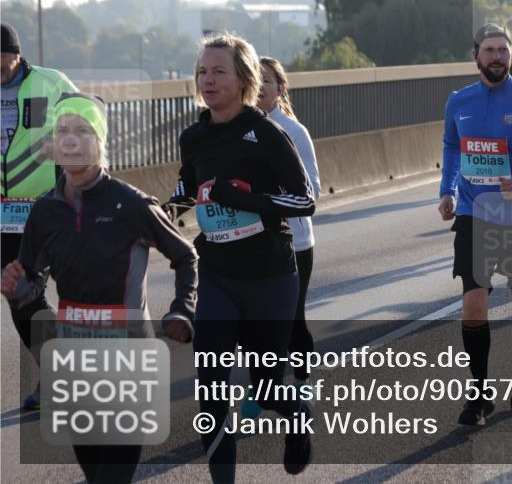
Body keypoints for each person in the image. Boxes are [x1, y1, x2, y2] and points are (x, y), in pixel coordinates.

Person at [2, 92, 196, 483]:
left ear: (102, 141)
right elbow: (31, 281)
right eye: (63, 131)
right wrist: (16, 286)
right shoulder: (44, 211)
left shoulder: (132, 204)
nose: (71, 140)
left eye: (83, 130)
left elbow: (186, 255)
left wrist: (182, 309)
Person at [167, 33, 316, 481]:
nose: (207, 81)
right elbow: (187, 189)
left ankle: (296, 419)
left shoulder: (267, 133)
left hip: (270, 276)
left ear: (244, 78)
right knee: (211, 389)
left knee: (268, 389)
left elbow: (304, 200)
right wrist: (154, 215)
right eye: (201, 72)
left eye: (218, 72)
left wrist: (247, 200)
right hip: (216, 274)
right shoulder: (193, 136)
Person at [439, 23, 512, 426]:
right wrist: (447, 190)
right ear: (476, 56)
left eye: (502, 51)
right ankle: (479, 391)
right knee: (474, 301)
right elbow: (453, 148)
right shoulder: (459, 101)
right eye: (488, 50)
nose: (495, 57)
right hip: (475, 213)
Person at [0, 21, 77, 410]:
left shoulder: (50, 82)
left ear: (16, 54)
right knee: (16, 294)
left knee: (29, 290)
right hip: (2, 215)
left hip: (45, 208)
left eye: (1, 63)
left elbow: (89, 118)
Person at [258, 56, 321, 387]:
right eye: (252, 78)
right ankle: (264, 388)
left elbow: (314, 189)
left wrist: (268, 198)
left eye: (265, 80)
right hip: (255, 243)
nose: (258, 86)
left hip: (294, 243)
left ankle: (301, 383)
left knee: (292, 318)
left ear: (280, 89)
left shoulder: (294, 132)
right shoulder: (241, 131)